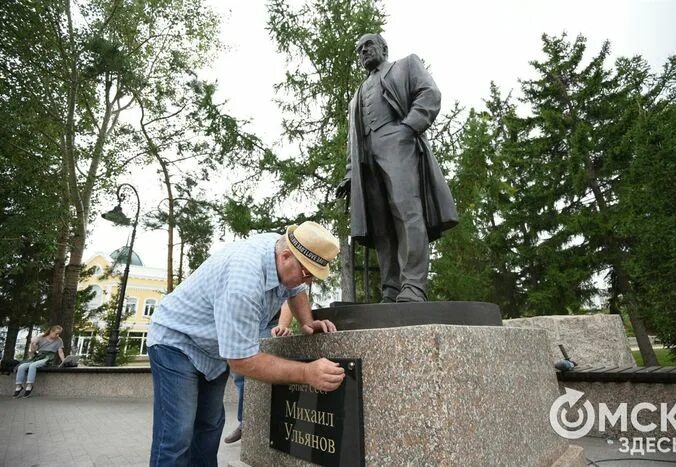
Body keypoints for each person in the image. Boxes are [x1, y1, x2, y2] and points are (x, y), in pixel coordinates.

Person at [146, 221, 345, 466]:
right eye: (307, 273)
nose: (310, 282)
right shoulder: (244, 282)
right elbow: (242, 361)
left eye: (314, 276)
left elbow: (297, 289)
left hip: (212, 349)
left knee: (209, 426)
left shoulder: (283, 249)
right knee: (177, 433)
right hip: (176, 342)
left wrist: (306, 322)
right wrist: (306, 372)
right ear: (284, 257)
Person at [336, 33, 458, 303]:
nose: (363, 51)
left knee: (407, 211)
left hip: (398, 143)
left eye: (368, 45)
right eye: (359, 49)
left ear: (383, 47)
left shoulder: (406, 66)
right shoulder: (356, 95)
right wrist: (349, 173)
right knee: (380, 223)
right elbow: (352, 139)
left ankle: (414, 286)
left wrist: (408, 127)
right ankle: (391, 288)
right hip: (365, 158)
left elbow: (430, 93)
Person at [224, 301, 294, 444]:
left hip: (270, 323)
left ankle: (252, 424)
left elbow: (290, 298)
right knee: (239, 374)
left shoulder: (288, 280)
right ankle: (245, 421)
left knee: (258, 368)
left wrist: (282, 325)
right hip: (248, 320)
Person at [13, 325, 65, 398]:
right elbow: (33, 351)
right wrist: (32, 344)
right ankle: (19, 386)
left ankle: (29, 386)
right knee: (21, 366)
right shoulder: (40, 338)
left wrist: (64, 361)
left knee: (33, 365)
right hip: (38, 357)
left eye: (59, 334)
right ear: (51, 331)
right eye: (56, 333)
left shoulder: (59, 340)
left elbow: (60, 352)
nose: (58, 335)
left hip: (48, 358)